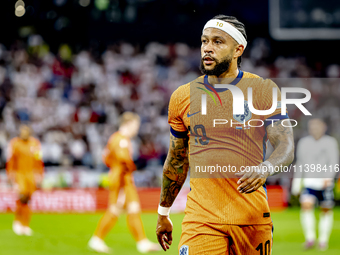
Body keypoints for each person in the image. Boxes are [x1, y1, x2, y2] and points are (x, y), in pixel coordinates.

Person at [156, 15, 295, 254]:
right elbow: (177, 159)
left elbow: (286, 147)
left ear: (238, 49)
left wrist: (266, 167)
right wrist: (163, 212)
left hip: (251, 217)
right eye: (204, 41)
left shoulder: (263, 90)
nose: (207, 48)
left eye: (218, 42)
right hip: (201, 219)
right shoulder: (182, 96)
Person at [88, 112, 160, 253]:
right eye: (136, 125)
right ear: (129, 124)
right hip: (122, 179)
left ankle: (142, 242)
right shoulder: (121, 139)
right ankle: (96, 239)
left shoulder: (116, 138)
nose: (136, 129)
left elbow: (106, 158)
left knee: (133, 208)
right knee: (115, 209)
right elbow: (123, 159)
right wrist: (131, 167)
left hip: (122, 178)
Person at [291, 118, 339, 251]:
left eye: (317, 126)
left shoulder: (330, 142)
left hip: (324, 182)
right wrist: (296, 183)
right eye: (312, 127)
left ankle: (323, 240)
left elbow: (334, 162)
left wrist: (329, 178)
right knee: (306, 206)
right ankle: (310, 238)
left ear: (324, 127)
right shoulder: (304, 142)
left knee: (325, 210)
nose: (314, 129)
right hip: (309, 181)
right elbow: (300, 163)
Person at [6, 125, 44, 236]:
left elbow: (39, 160)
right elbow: (11, 160)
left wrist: (40, 174)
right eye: (22, 131)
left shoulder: (35, 144)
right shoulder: (15, 143)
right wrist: (10, 174)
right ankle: (17, 221)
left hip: (31, 174)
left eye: (26, 131)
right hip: (19, 174)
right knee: (22, 196)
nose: (24, 133)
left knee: (28, 199)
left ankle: (25, 225)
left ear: (29, 132)